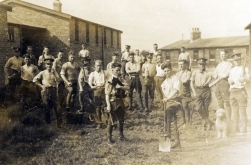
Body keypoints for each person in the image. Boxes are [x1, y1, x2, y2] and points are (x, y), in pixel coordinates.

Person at [33, 57, 62, 128]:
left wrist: (55, 74)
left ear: (52, 65)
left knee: (57, 107)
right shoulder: (42, 73)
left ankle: (59, 125)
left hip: (53, 90)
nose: (49, 66)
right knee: (47, 107)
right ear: (45, 65)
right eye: (47, 64)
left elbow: (58, 80)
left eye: (50, 64)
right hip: (46, 91)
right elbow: (34, 80)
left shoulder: (54, 72)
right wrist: (41, 86)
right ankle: (48, 125)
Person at [105, 62, 129, 144]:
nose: (118, 72)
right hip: (113, 102)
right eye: (117, 70)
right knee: (111, 120)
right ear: (112, 70)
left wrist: (121, 87)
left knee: (121, 119)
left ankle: (121, 136)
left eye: (119, 70)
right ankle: (109, 138)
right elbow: (107, 94)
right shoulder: (110, 81)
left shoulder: (120, 79)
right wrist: (108, 105)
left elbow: (127, 87)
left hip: (120, 102)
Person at [161, 62, 182, 149]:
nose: (167, 72)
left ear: (171, 70)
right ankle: (168, 143)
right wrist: (166, 99)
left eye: (168, 70)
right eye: (165, 71)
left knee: (171, 118)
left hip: (175, 101)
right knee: (167, 120)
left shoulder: (175, 78)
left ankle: (176, 141)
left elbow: (176, 91)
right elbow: (164, 94)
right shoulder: (164, 83)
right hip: (168, 103)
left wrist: (168, 98)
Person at [228, 53, 250, 134]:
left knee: (242, 111)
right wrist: (229, 81)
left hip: (240, 91)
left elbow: (248, 79)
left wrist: (244, 79)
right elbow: (229, 79)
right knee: (235, 111)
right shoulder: (232, 70)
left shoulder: (245, 69)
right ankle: (236, 128)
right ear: (233, 61)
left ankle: (244, 129)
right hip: (232, 91)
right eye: (235, 60)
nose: (237, 61)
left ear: (240, 60)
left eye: (238, 60)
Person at [190, 58, 213, 131]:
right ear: (198, 65)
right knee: (198, 108)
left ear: (205, 65)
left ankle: (205, 125)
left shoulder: (208, 73)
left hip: (206, 91)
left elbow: (215, 78)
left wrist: (209, 84)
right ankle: (209, 122)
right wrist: (193, 91)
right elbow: (191, 82)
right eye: (200, 64)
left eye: (203, 64)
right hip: (198, 90)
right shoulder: (195, 72)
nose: (201, 66)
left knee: (205, 108)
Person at [212, 49, 232, 121]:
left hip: (225, 84)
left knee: (226, 102)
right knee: (220, 102)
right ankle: (222, 119)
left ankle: (229, 119)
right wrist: (217, 74)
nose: (222, 56)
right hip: (218, 84)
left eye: (223, 54)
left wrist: (219, 74)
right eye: (221, 55)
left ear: (226, 55)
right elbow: (214, 74)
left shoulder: (229, 64)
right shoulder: (219, 65)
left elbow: (226, 75)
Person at [89, 60, 108, 129]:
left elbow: (108, 80)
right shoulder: (93, 74)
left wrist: (106, 86)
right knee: (97, 107)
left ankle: (106, 122)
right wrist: (92, 86)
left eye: (100, 65)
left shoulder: (104, 72)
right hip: (96, 90)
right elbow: (90, 82)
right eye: (97, 66)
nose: (99, 67)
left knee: (105, 106)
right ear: (95, 66)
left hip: (103, 90)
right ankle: (99, 123)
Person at [176, 60, 191, 126]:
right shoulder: (177, 73)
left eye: (182, 64)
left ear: (185, 65)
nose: (181, 66)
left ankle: (188, 122)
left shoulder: (188, 73)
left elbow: (186, 80)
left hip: (185, 92)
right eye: (180, 64)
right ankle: (183, 121)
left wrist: (179, 80)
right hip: (179, 92)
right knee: (180, 107)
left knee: (185, 106)